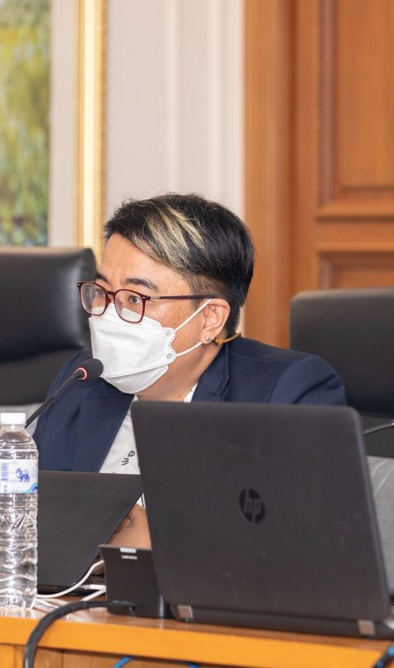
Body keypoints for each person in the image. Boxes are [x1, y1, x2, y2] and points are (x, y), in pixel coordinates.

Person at [33, 193, 345, 545]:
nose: (108, 315)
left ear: (209, 318)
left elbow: (300, 545)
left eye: (135, 298)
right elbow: (35, 524)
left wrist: (156, 541)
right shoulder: (81, 380)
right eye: (102, 291)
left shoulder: (283, 393)